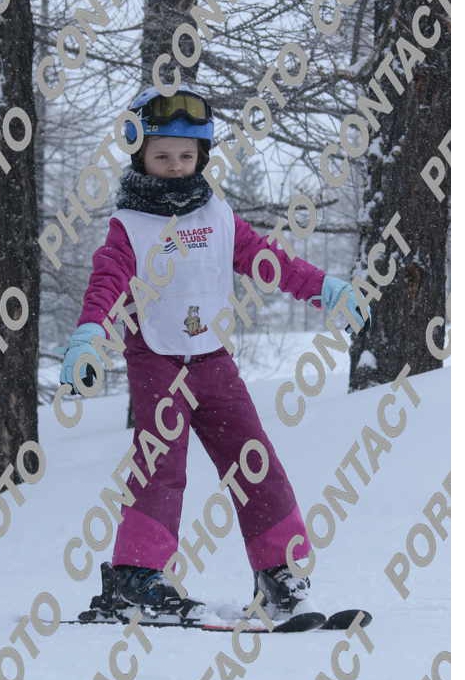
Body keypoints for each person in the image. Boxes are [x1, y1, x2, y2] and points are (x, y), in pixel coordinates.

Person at [59, 85, 364, 621]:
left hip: (212, 358)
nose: (175, 166)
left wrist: (323, 288)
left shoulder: (218, 215)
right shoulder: (130, 226)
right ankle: (137, 577)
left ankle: (281, 574)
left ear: (200, 156)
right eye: (162, 156)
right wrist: (88, 336)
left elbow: (268, 260)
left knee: (255, 460)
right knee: (161, 467)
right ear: (139, 154)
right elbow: (106, 284)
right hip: (156, 360)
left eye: (185, 155)